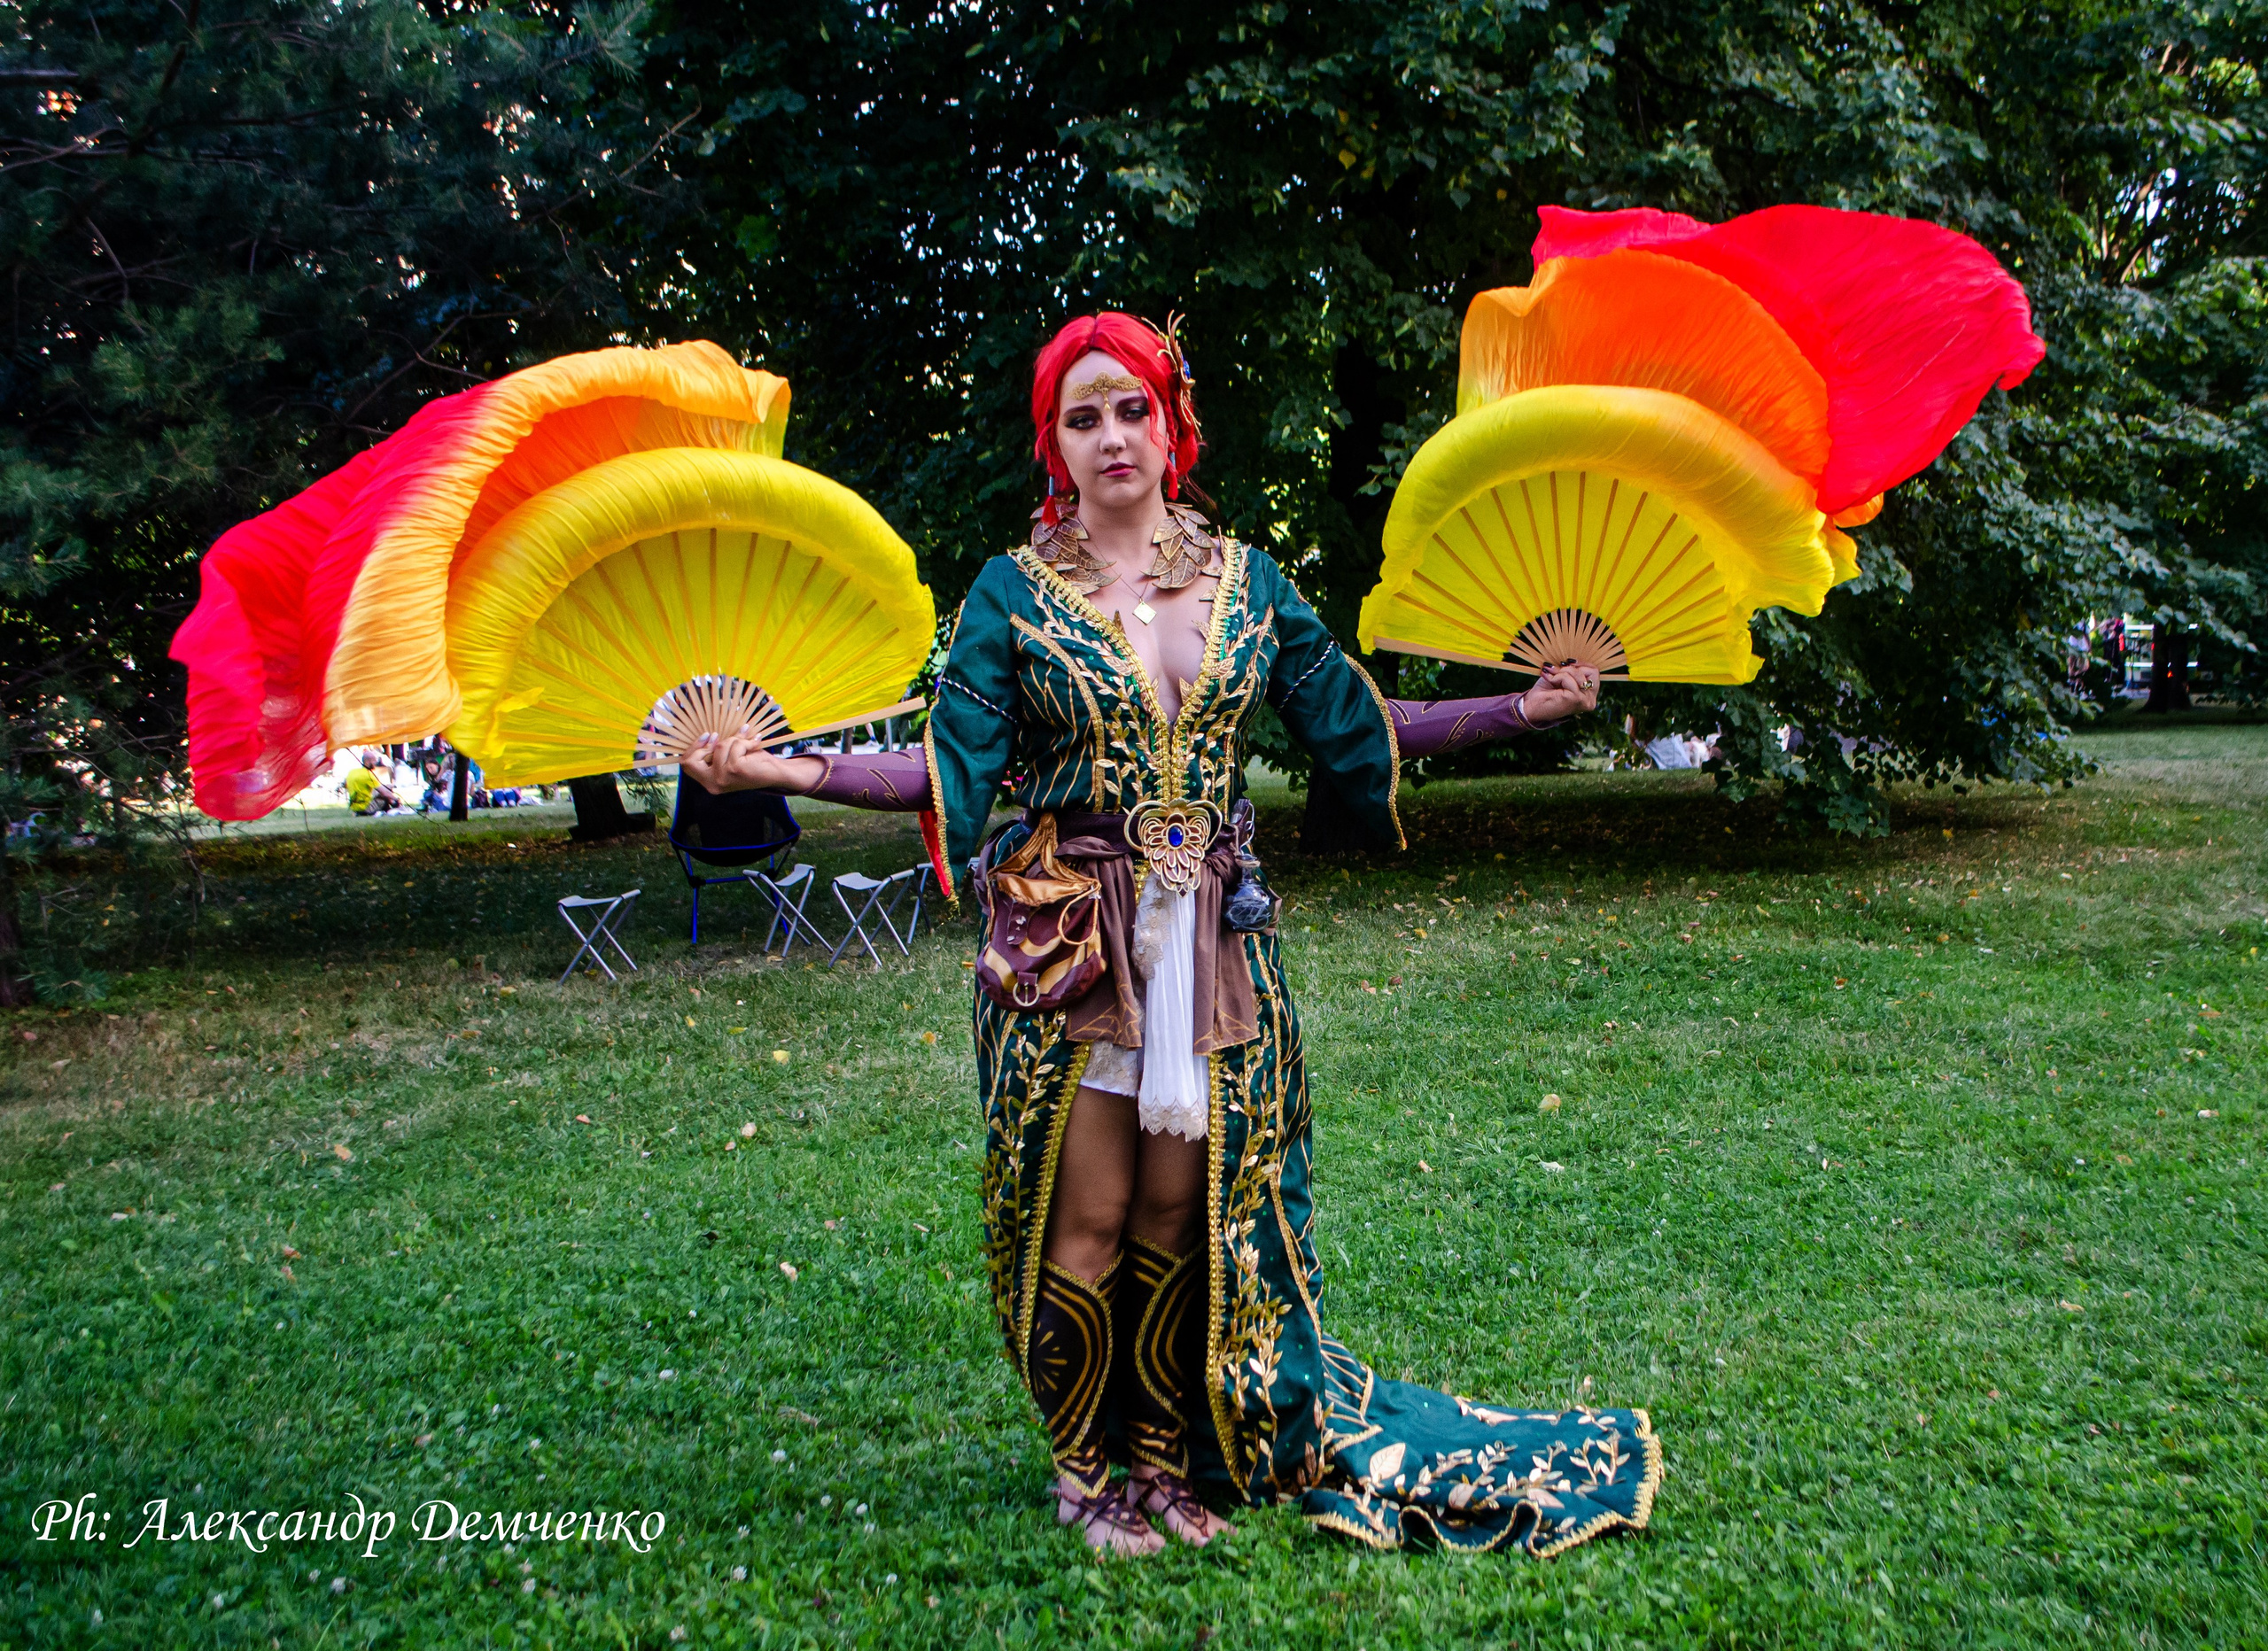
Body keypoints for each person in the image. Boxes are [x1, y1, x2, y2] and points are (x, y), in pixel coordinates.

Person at [683, 313, 1658, 1558]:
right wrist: (782, 767)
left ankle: (1162, 1459)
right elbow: (944, 763)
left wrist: (1524, 706)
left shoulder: (1248, 583)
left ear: (1171, 421)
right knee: (1079, 1216)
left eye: (1129, 408)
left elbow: (1358, 721)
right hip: (1074, 944)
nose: (1110, 437)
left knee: (1178, 1213)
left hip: (1213, 939)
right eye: (1080, 418)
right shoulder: (1012, 595)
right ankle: (1084, 1469)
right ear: (1057, 445)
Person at [343, 750, 398, 815]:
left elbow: (345, 785)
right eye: (375, 760)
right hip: (366, 808)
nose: (376, 763)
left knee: (386, 787)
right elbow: (385, 792)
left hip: (355, 807)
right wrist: (396, 799)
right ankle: (396, 807)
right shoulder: (368, 775)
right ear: (368, 762)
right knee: (386, 793)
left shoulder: (352, 772)